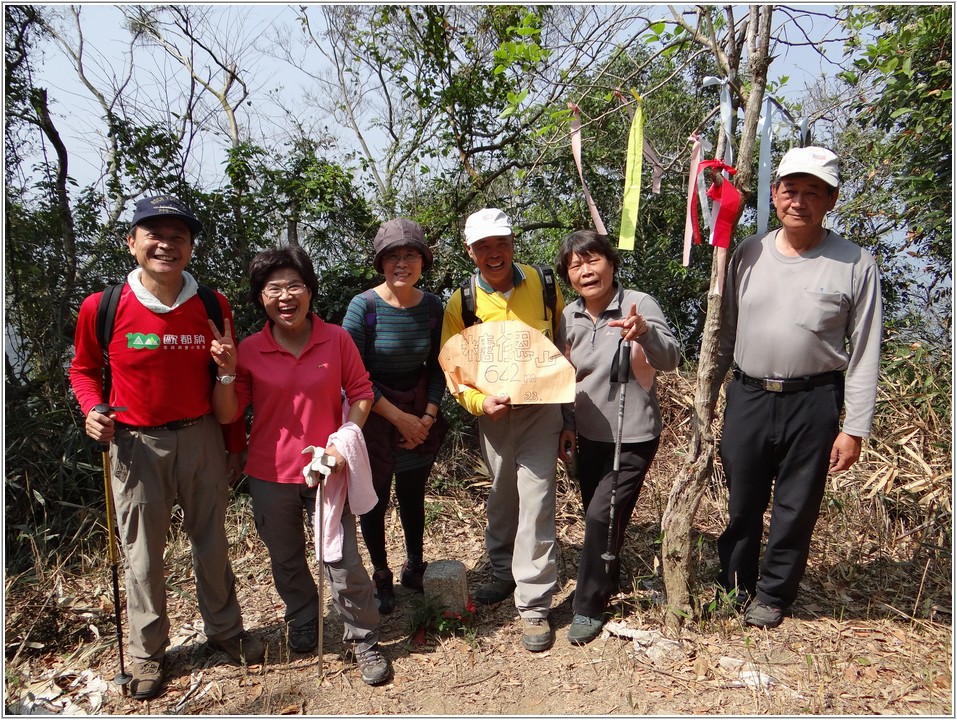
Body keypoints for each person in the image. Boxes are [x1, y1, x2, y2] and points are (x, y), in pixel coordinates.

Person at [69, 195, 263, 701]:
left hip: (200, 436)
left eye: (178, 236)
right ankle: (147, 654)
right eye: (153, 233)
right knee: (142, 557)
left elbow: (229, 379)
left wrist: (233, 445)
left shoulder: (210, 304)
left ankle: (226, 633)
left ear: (191, 248)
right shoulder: (104, 306)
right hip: (134, 443)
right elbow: (84, 370)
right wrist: (93, 409)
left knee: (211, 542)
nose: (166, 244)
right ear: (132, 242)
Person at [207, 245, 392, 686]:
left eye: (294, 286)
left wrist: (342, 444)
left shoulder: (337, 339)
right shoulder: (249, 350)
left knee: (343, 559)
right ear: (261, 298)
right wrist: (228, 372)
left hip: (327, 470)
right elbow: (228, 414)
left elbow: (362, 392)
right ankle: (303, 615)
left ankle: (363, 638)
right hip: (269, 472)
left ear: (310, 291)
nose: (285, 296)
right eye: (274, 289)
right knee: (286, 558)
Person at [715, 146, 883, 629]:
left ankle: (772, 594)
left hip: (814, 401)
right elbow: (723, 332)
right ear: (774, 193)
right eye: (791, 190)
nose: (800, 202)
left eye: (814, 193)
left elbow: (866, 347)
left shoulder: (854, 262)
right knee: (741, 497)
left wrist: (855, 427)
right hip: (747, 395)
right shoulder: (749, 252)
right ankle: (734, 584)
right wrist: (707, 401)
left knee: (796, 504)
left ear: (831, 200)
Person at [440, 208, 565, 653]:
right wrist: (478, 402)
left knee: (537, 497)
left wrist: (566, 413)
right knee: (501, 492)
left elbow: (561, 346)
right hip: (493, 414)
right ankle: (500, 570)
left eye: (501, 243)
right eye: (483, 247)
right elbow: (454, 369)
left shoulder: (545, 284)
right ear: (470, 251)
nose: (494, 254)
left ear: (513, 241)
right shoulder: (462, 302)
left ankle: (533, 603)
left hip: (541, 411)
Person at [555, 230, 680, 645]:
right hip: (588, 435)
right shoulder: (569, 316)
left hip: (632, 435)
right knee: (604, 515)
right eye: (575, 265)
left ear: (610, 262)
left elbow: (670, 358)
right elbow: (563, 376)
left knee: (599, 517)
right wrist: (566, 422)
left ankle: (589, 605)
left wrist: (644, 332)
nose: (585, 271)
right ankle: (609, 573)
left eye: (593, 260)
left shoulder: (637, 304)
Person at [341, 218, 447, 615]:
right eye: (393, 257)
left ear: (422, 261)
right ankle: (381, 574)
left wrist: (428, 416)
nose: (402, 264)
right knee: (375, 500)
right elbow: (352, 373)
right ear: (380, 263)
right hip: (373, 415)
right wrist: (399, 418)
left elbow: (440, 366)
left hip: (419, 411)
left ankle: (414, 566)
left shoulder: (433, 306)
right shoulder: (363, 306)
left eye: (410, 255)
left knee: (413, 495)